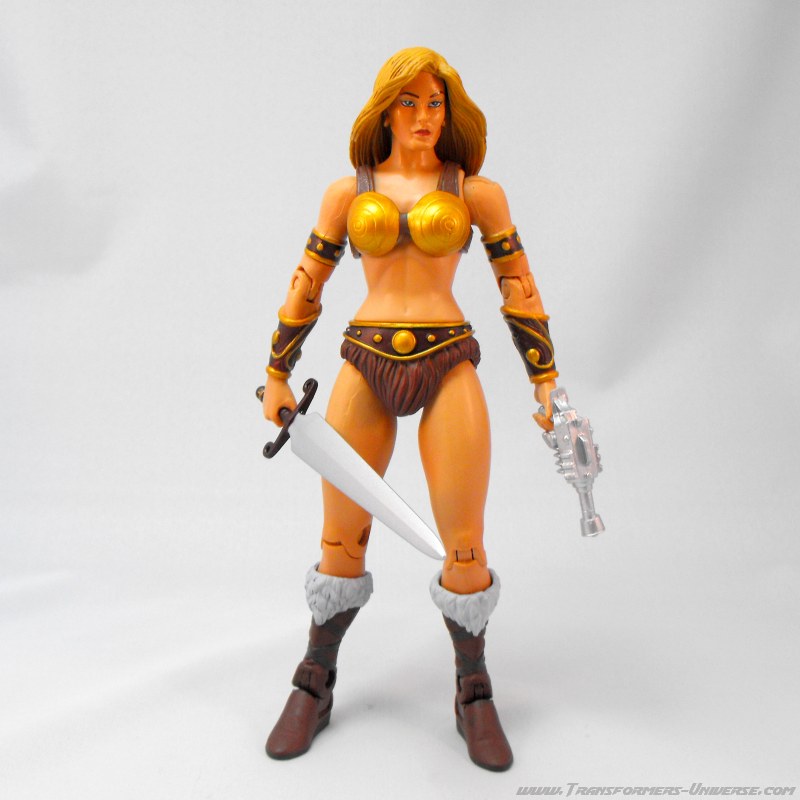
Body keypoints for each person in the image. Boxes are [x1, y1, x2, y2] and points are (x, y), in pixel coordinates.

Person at [261, 47, 558, 772]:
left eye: (436, 103)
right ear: (385, 109)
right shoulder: (347, 193)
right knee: (341, 541)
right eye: (410, 102)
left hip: (448, 357)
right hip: (364, 361)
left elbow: (517, 284)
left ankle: (473, 688)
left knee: (465, 545)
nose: (425, 116)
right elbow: (308, 279)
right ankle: (314, 680)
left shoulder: (476, 193)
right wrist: (276, 371)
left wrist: (545, 378)